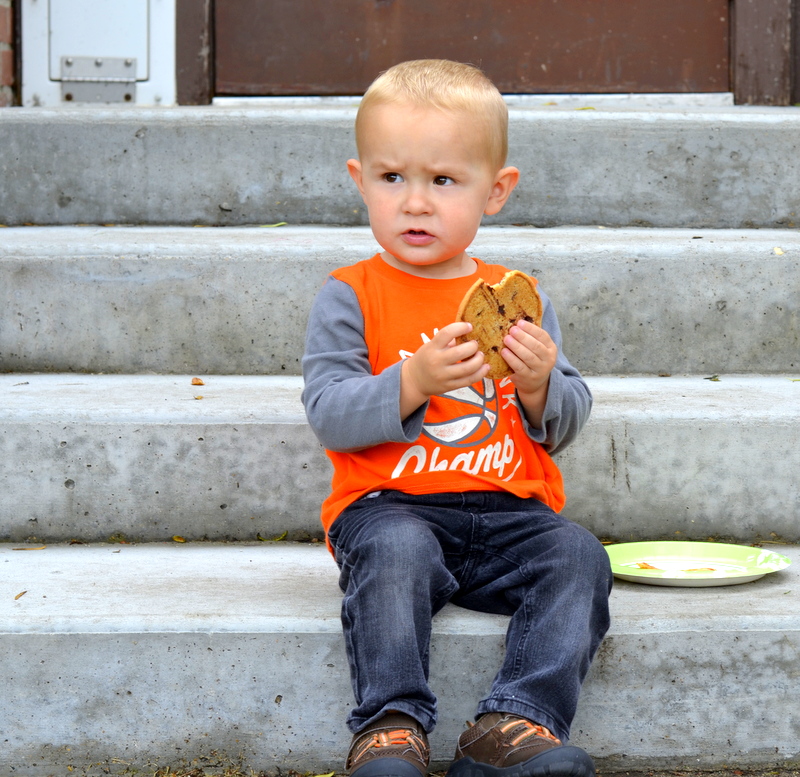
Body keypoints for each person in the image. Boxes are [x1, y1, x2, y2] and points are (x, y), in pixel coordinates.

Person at [301, 59, 612, 777]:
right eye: (392, 177)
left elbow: (568, 417)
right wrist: (411, 381)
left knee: (578, 556)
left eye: (443, 180)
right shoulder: (351, 294)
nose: (415, 202)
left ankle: (514, 725)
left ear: (494, 191)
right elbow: (330, 413)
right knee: (395, 553)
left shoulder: (518, 296)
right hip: (391, 507)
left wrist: (539, 385)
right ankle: (391, 727)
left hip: (509, 515)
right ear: (360, 181)